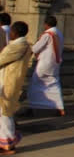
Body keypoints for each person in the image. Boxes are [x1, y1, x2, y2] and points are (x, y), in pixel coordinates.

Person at [0, 21, 32, 155]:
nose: (10, 33)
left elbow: (1, 59)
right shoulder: (20, 44)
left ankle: (8, 144)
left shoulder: (19, 45)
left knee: (5, 112)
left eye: (12, 31)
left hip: (9, 82)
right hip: (8, 80)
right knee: (4, 112)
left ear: (16, 32)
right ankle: (6, 141)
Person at [27, 15, 65, 116]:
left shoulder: (47, 35)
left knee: (35, 84)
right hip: (55, 64)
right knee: (54, 84)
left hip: (44, 64)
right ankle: (60, 107)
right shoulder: (59, 33)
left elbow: (35, 48)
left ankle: (33, 106)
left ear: (46, 24)